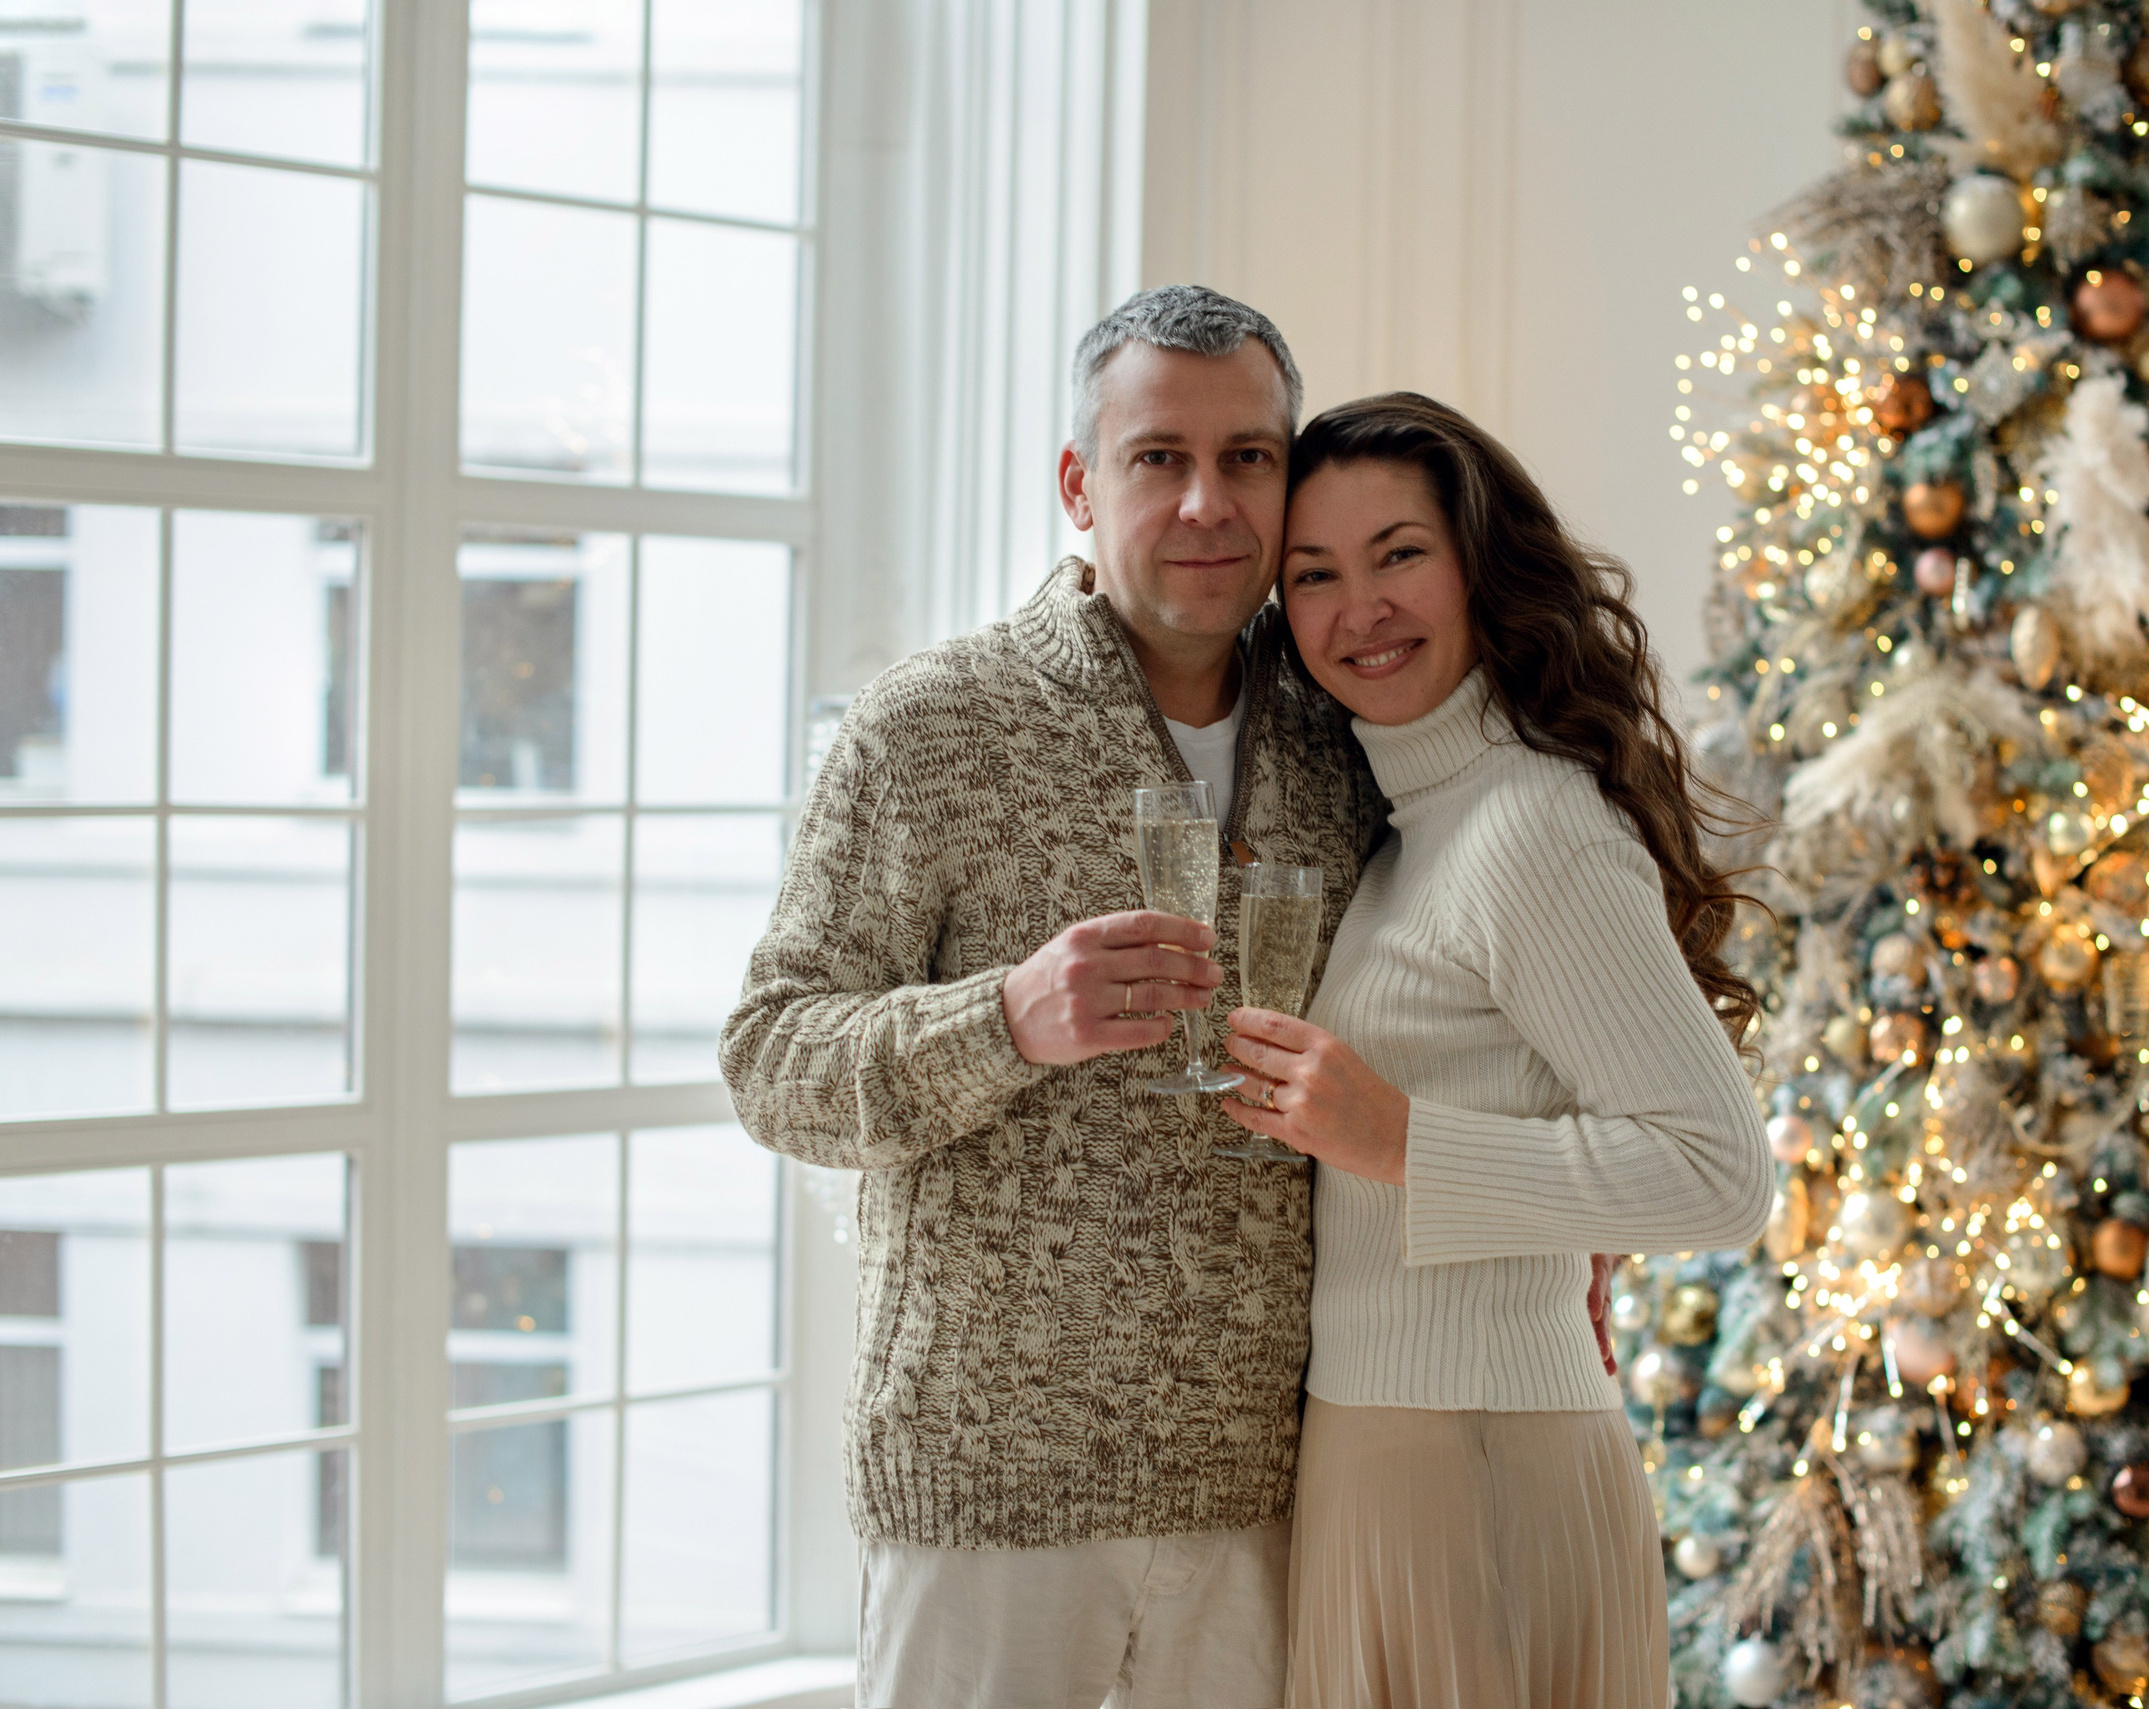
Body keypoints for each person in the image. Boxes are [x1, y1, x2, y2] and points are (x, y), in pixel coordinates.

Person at [720, 286, 1381, 1709]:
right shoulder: (930, 722)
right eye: (1159, 457)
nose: (1208, 501)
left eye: (1249, 457)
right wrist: (1004, 1019)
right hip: (983, 1486)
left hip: (1258, 1484)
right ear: (1081, 484)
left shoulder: (1348, 739)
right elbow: (770, 1056)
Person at [1217, 392, 1773, 1709]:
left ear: (1479, 560)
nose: (1362, 609)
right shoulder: (1416, 821)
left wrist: (1399, 1139)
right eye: (1314, 574)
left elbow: (1722, 1170)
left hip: (1474, 1464)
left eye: (1399, 553)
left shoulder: (1534, 826)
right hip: (1393, 1451)